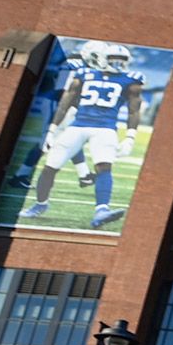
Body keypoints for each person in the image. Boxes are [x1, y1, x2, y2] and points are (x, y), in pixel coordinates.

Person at [19, 40, 141, 229]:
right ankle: (40, 204)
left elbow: (134, 111)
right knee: (50, 166)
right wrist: (52, 129)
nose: (118, 64)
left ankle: (102, 210)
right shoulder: (84, 73)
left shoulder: (131, 80)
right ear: (102, 59)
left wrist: (130, 137)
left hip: (106, 129)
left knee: (104, 167)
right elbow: (65, 103)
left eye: (122, 60)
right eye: (114, 59)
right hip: (78, 125)